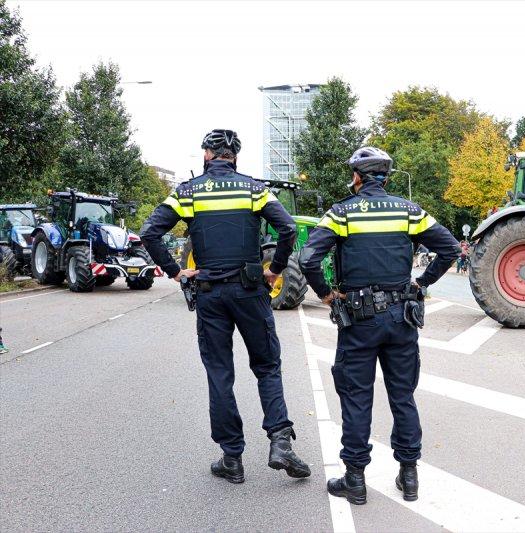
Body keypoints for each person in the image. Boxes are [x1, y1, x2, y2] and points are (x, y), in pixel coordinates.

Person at [141, 129, 310, 484]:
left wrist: (175, 271)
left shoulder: (187, 192)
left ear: (206, 154)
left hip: (210, 294)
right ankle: (281, 442)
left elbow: (150, 233)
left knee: (219, 373)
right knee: (267, 366)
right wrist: (275, 269)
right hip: (251, 291)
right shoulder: (254, 190)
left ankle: (232, 458)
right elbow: (288, 229)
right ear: (235, 156)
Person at [299, 146, 459, 505]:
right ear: (385, 178)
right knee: (403, 396)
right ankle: (409, 476)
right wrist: (422, 283)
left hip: (358, 321)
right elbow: (450, 249)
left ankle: (355, 480)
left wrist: (326, 295)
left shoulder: (341, 213)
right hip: (402, 318)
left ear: (357, 177)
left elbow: (308, 259)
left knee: (356, 397)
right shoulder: (409, 211)